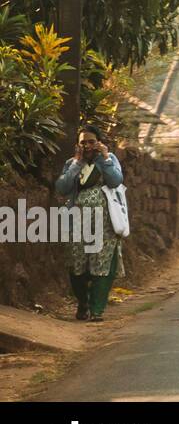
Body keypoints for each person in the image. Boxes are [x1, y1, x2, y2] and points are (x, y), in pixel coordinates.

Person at [54, 125, 124, 322]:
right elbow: (62, 187)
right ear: (78, 145)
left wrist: (105, 158)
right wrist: (76, 164)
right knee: (77, 265)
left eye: (91, 141)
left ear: (99, 142)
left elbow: (115, 181)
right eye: (83, 142)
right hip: (77, 221)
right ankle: (83, 303)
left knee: (102, 263)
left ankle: (97, 310)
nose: (87, 145)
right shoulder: (72, 163)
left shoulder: (108, 160)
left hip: (106, 223)